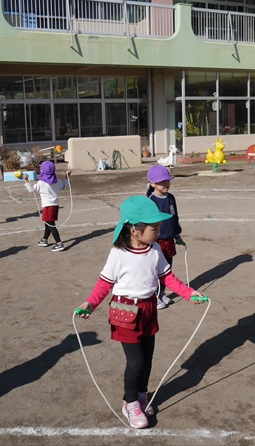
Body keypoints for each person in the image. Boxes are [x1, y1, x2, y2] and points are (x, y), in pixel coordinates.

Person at [76, 196, 206, 429]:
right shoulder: (118, 254)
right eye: (154, 228)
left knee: (147, 358)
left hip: (148, 309)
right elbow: (105, 283)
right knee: (135, 362)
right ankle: (130, 402)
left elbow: (167, 277)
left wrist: (189, 293)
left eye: (159, 227)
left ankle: (142, 395)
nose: (159, 231)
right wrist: (91, 303)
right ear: (134, 230)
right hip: (125, 311)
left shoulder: (155, 249)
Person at [146, 165, 184, 309]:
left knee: (166, 269)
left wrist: (177, 235)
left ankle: (162, 293)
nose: (166, 184)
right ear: (152, 183)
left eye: (167, 181)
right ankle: (154, 296)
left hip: (169, 241)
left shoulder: (171, 198)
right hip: (156, 242)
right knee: (155, 269)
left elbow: (175, 217)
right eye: (162, 182)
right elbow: (148, 224)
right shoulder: (151, 201)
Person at [24, 161, 71, 252]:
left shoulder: (41, 183)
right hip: (55, 206)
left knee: (51, 225)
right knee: (48, 223)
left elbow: (31, 190)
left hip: (47, 207)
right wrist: (66, 177)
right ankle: (44, 239)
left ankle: (59, 244)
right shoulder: (56, 180)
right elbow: (63, 186)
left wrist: (26, 180)